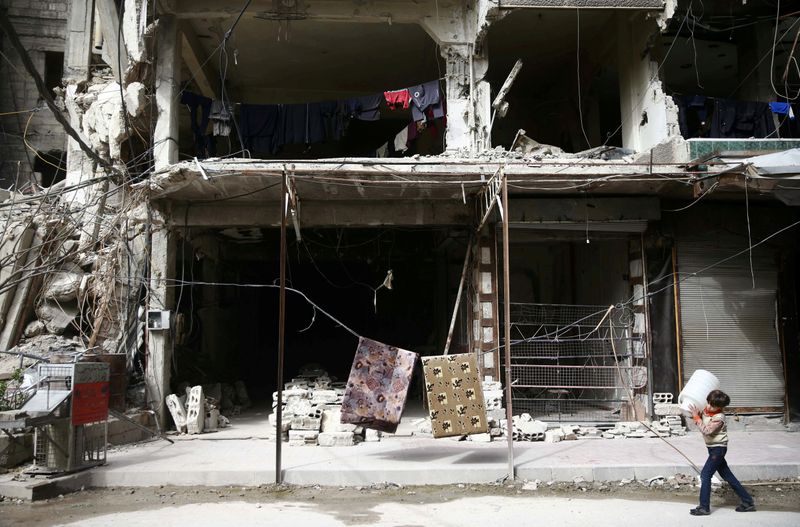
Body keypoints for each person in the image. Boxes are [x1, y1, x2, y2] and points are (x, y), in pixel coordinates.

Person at [688, 389, 756, 516]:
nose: (709, 406)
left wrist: (697, 417)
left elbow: (707, 431)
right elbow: (699, 416)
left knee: (705, 475)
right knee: (727, 476)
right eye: (708, 403)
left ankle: (704, 507)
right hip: (713, 449)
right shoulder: (707, 411)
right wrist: (695, 413)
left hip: (718, 449)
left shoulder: (719, 418)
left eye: (713, 405)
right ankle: (748, 502)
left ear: (720, 407)